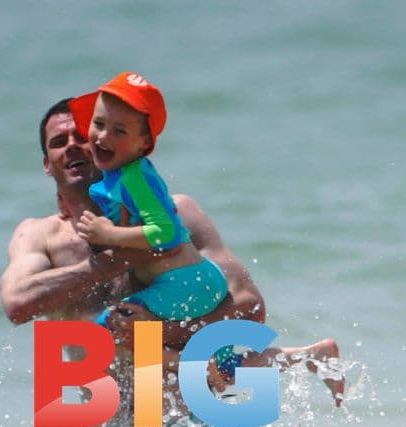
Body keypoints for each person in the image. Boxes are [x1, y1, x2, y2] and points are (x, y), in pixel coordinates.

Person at [0, 98, 285, 427]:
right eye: (57, 142)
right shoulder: (40, 238)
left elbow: (247, 305)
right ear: (47, 164)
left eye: (82, 134)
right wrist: (110, 259)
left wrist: (159, 328)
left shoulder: (174, 214)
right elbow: (18, 303)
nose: (73, 145)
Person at [68, 72, 344, 402]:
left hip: (183, 282)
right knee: (226, 368)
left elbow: (166, 232)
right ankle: (310, 355)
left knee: (108, 331)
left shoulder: (135, 175)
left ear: (144, 144)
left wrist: (110, 233)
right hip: (192, 280)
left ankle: (189, 368)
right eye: (98, 124)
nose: (103, 136)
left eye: (119, 131)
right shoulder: (121, 176)